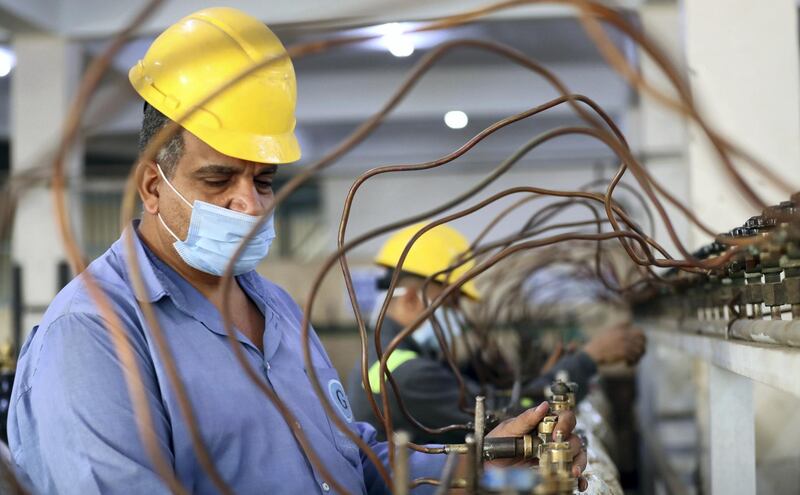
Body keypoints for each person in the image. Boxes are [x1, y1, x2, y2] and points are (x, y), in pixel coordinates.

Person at [6, 8, 587, 495]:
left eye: (263, 180)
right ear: (154, 187)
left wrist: (477, 461)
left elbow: (349, 462)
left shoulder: (278, 311)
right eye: (218, 180)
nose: (250, 205)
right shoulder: (93, 338)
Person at [347, 223, 646, 444]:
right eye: (450, 303)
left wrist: (546, 376)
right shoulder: (407, 374)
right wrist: (589, 358)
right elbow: (506, 417)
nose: (457, 316)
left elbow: (490, 400)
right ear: (411, 299)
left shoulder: (388, 357)